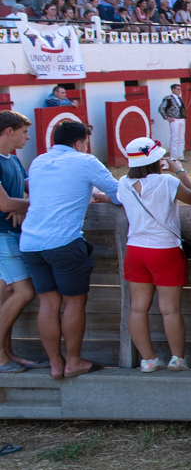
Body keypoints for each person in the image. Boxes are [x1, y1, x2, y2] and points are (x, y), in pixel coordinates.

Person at [20, 120, 120, 379]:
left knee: (48, 302)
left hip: (30, 242)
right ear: (79, 143)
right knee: (74, 303)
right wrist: (99, 196)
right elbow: (121, 194)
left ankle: (55, 364)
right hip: (63, 242)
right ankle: (73, 361)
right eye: (85, 143)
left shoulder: (39, 161)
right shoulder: (85, 161)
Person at [118, 137, 191, 373]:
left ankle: (148, 360)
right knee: (170, 309)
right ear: (157, 159)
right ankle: (177, 359)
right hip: (164, 249)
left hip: (135, 250)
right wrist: (180, 171)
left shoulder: (123, 182)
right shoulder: (166, 181)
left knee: (137, 308)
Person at [0, 112, 40, 373]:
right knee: (25, 291)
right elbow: (5, 204)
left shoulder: (13, 161)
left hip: (11, 234)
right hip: (3, 236)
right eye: (24, 132)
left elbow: (30, 191)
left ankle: (6, 353)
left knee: (5, 295)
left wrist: (22, 206)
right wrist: (28, 205)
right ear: (8, 131)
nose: (27, 137)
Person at [157, 83, 188, 161]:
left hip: (181, 119)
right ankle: (173, 157)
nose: (179, 91)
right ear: (173, 90)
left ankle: (180, 156)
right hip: (174, 120)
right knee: (175, 138)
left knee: (181, 138)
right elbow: (161, 108)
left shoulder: (180, 98)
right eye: (177, 89)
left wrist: (184, 117)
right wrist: (167, 118)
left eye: (180, 89)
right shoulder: (168, 98)